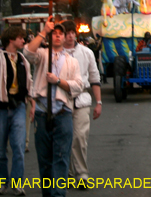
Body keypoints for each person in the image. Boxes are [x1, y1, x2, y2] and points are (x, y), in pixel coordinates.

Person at [24, 18, 82, 197]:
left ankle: (58, 194)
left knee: (61, 157)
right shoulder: (42, 54)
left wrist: (58, 81)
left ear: (65, 38)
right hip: (42, 112)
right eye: (54, 34)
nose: (57, 37)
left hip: (63, 112)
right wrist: (43, 32)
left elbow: (78, 85)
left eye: (60, 34)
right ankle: (48, 193)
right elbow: (27, 52)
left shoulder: (71, 61)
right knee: (45, 159)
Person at [0, 26, 32, 195]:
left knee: (19, 146)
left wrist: (30, 104)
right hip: (0, 108)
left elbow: (28, 83)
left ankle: (17, 182)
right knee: (0, 149)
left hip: (18, 105)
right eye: (20, 38)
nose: (23, 41)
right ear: (11, 39)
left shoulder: (22, 59)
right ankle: (1, 181)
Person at [61, 20, 102, 186]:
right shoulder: (55, 54)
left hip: (82, 99)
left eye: (72, 32)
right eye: (66, 33)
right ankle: (68, 173)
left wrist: (98, 102)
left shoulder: (86, 53)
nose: (70, 36)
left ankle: (81, 174)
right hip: (61, 99)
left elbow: (94, 78)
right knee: (65, 138)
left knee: (80, 137)